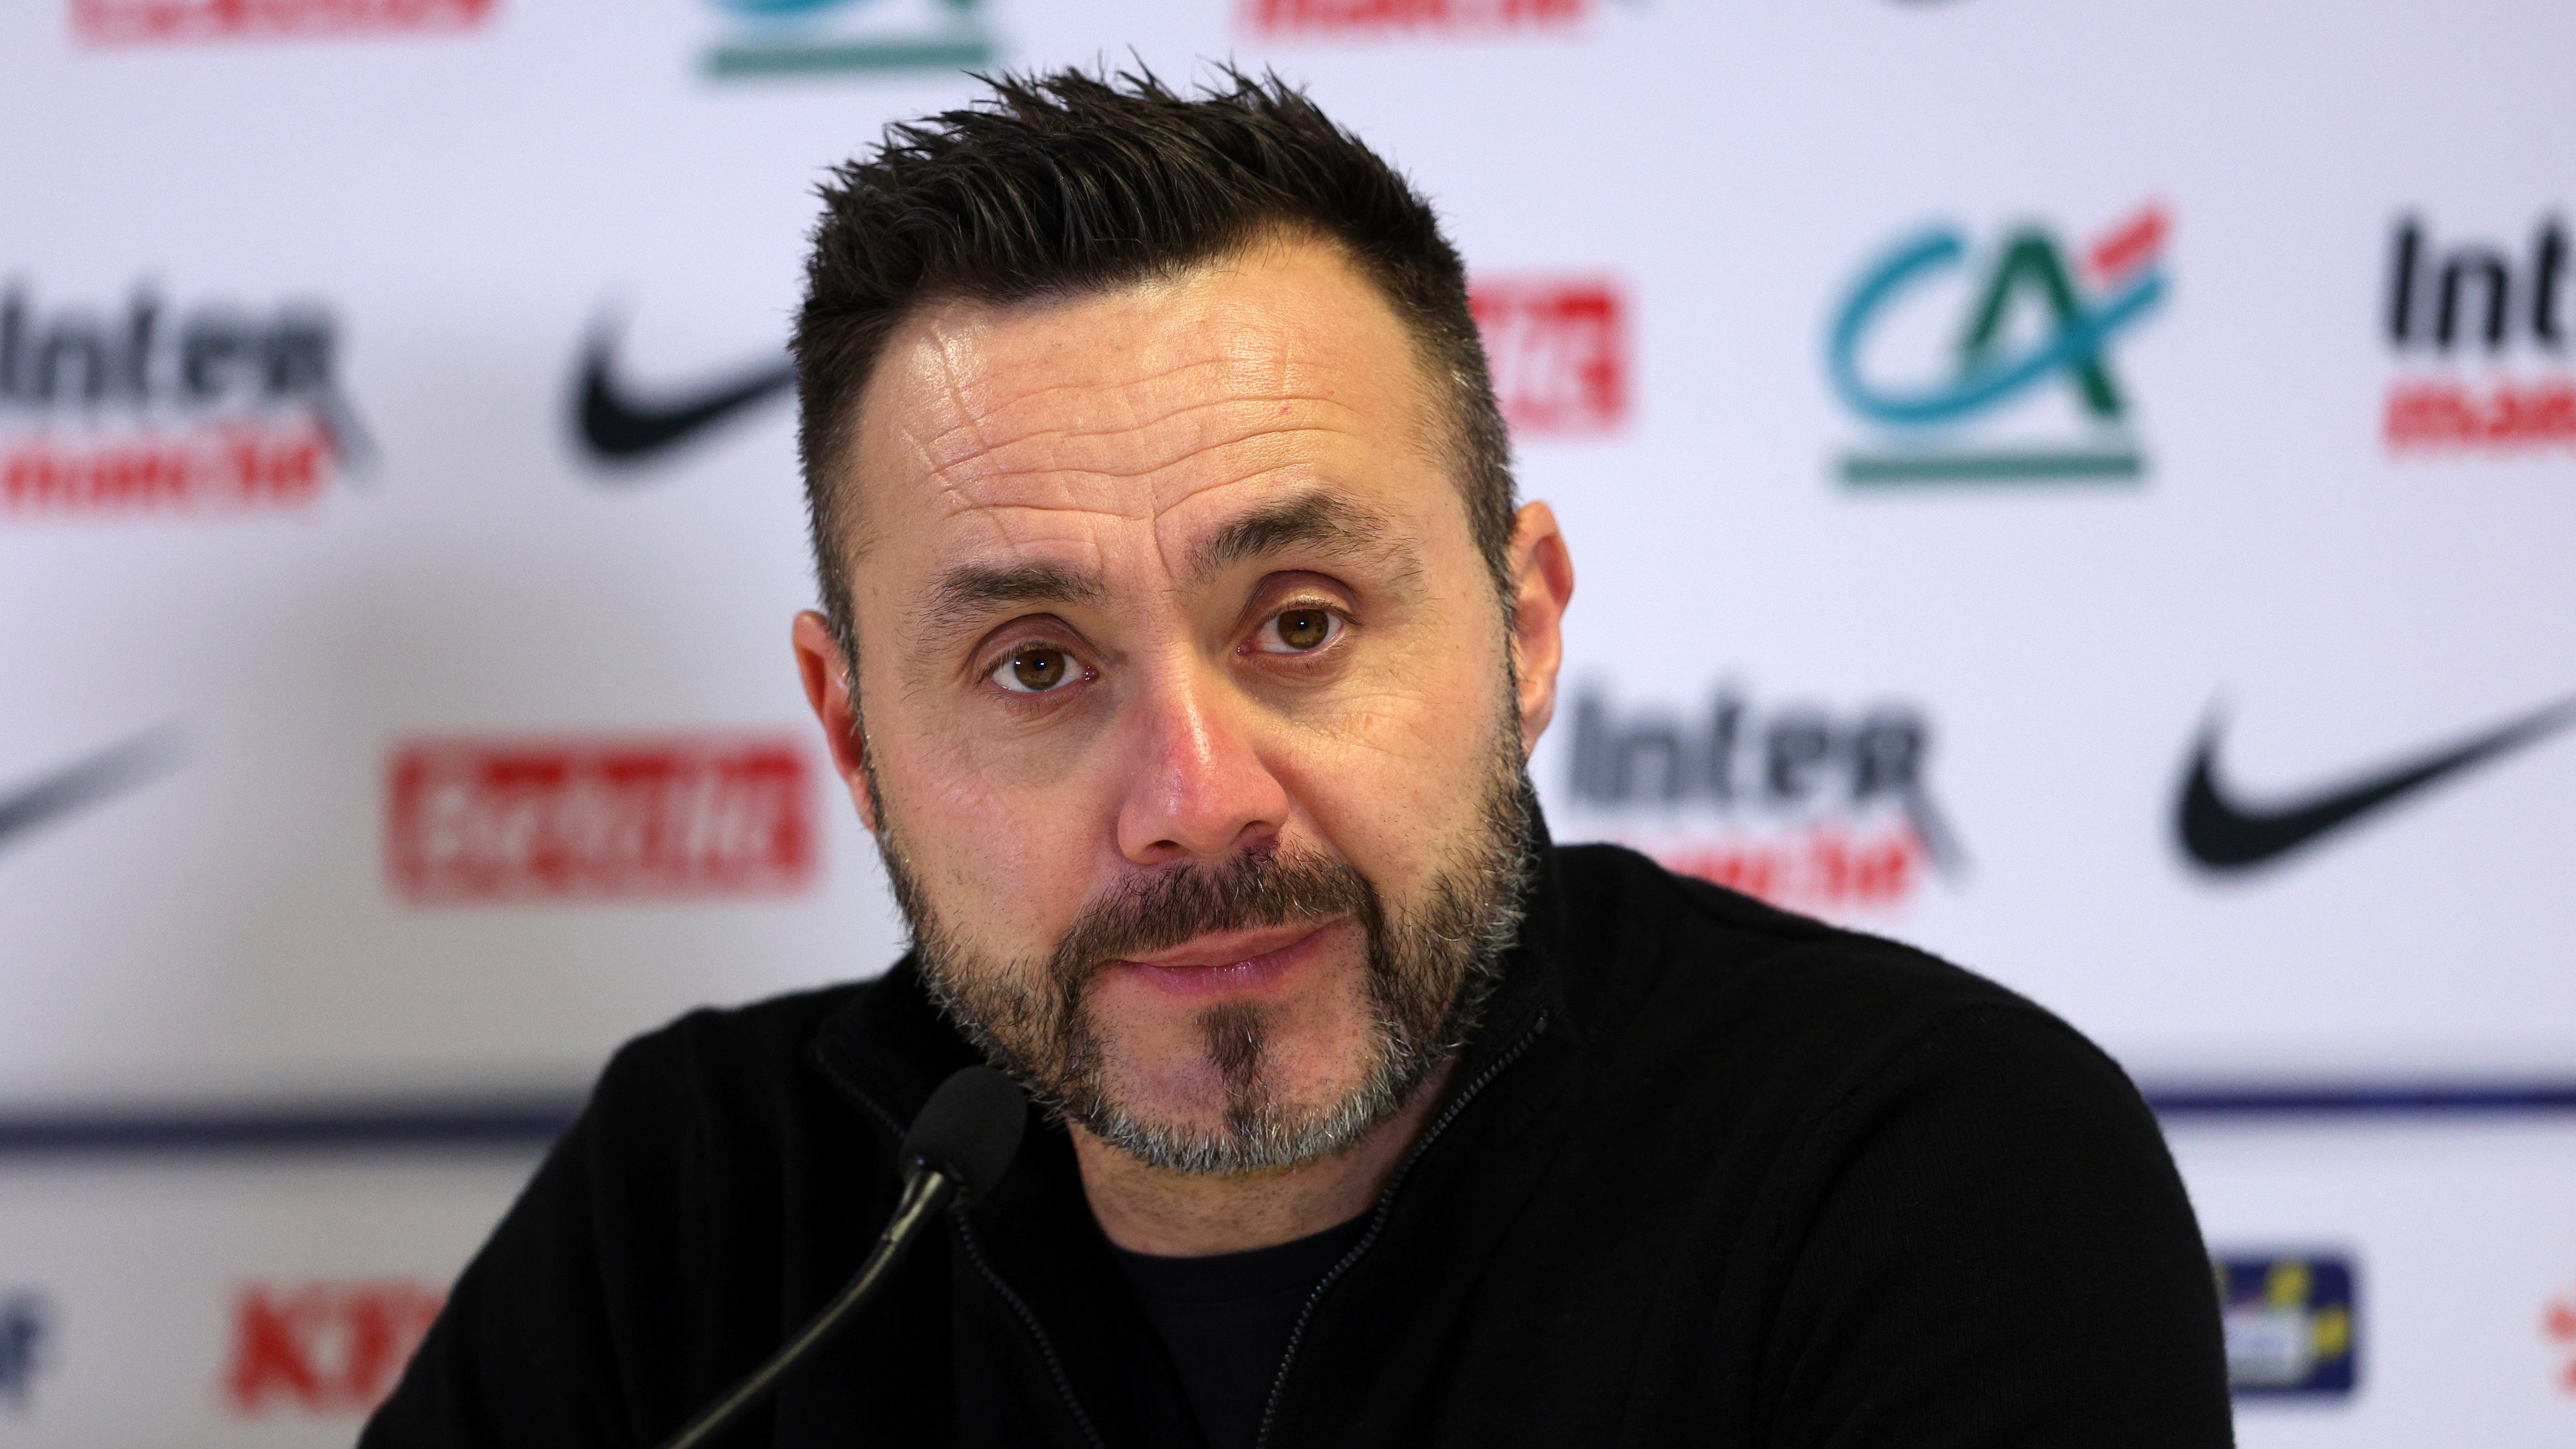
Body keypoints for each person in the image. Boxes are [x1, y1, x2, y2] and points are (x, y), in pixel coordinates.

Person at [364, 68, 2231, 1449]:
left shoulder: (1925, 1175)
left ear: (1524, 628)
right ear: (854, 734)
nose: (1195, 799)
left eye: (1303, 623)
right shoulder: (697, 1210)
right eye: (1036, 664)